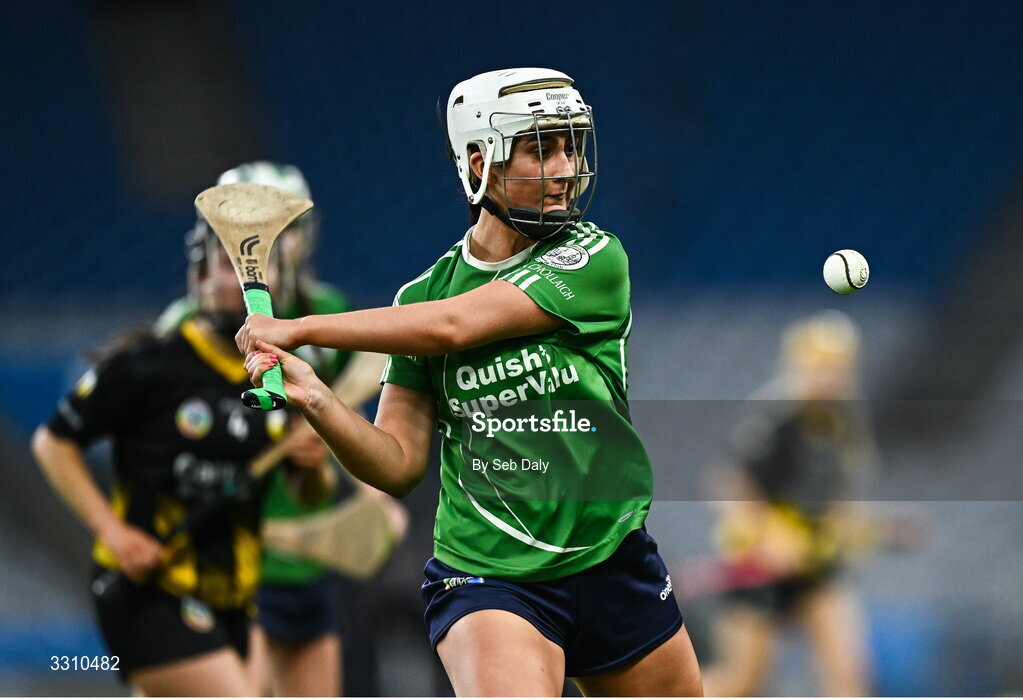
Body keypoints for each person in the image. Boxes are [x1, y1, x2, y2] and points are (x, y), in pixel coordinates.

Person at [235, 67, 704, 696]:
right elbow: (397, 463)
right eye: (541, 149)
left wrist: (301, 327)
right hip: (490, 576)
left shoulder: (593, 258)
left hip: (611, 556)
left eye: (571, 146)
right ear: (480, 162)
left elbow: (454, 328)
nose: (565, 168)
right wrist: (314, 395)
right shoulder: (422, 298)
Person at [156, 160, 404, 697]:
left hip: (307, 556)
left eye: (279, 230)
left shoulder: (323, 313)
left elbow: (346, 415)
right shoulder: (183, 329)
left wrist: (371, 496)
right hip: (231, 554)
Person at [30, 217, 300, 696]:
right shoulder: (148, 366)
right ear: (197, 277)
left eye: (256, 273)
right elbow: (53, 443)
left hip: (237, 602)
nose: (241, 284)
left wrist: (311, 465)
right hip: (149, 592)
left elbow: (302, 491)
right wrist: (112, 532)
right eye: (225, 267)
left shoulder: (277, 381)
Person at [699, 310, 876, 696]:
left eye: (839, 365)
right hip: (759, 565)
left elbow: (841, 490)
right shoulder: (775, 415)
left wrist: (844, 530)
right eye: (822, 365)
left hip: (816, 565)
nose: (831, 375)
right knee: (743, 683)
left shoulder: (846, 420)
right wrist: (772, 538)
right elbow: (728, 483)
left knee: (848, 673)